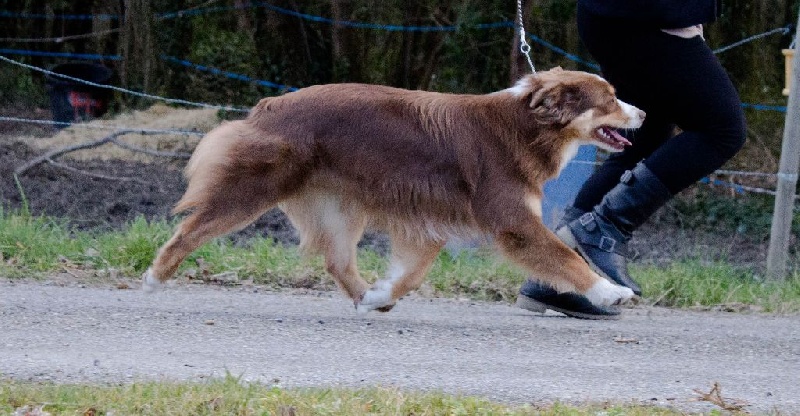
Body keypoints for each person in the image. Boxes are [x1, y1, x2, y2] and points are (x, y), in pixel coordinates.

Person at [516, 0, 746, 319]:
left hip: (617, 17)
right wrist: (679, 14)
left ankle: (556, 278)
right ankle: (603, 227)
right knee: (722, 130)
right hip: (646, 17)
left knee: (644, 140)